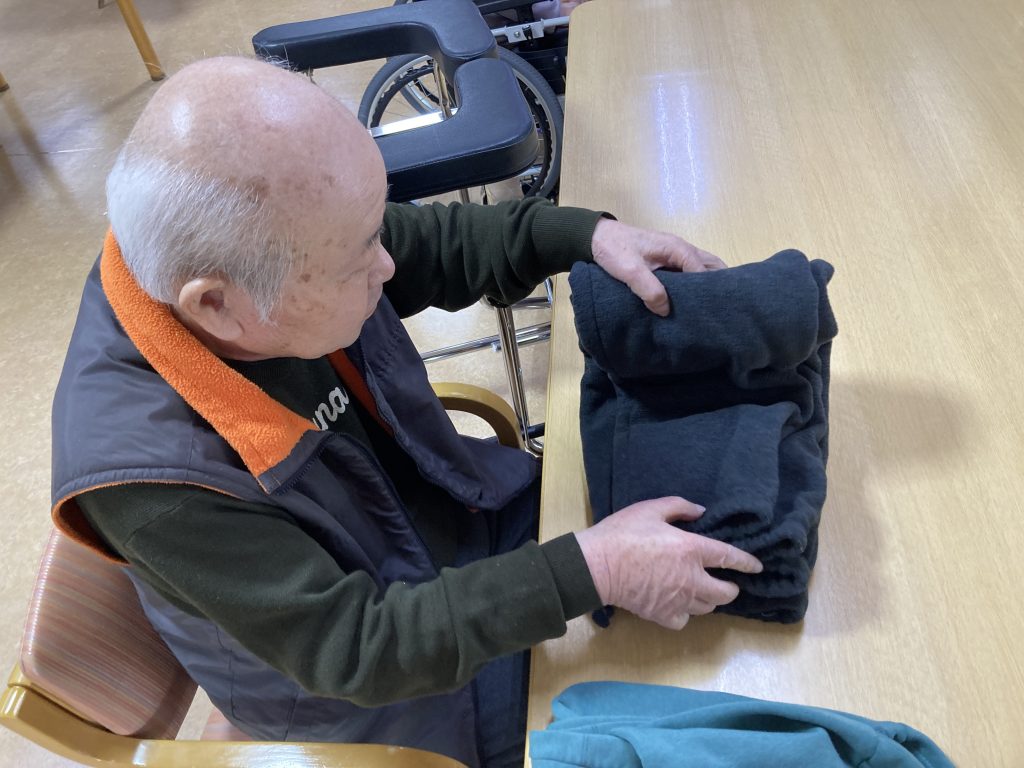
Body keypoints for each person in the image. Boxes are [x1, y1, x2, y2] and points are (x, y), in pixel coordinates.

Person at [50, 57, 762, 768]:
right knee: (677, 726)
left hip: (456, 530)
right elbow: (357, 650)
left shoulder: (249, 243)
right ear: (216, 304)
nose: (386, 264)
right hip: (392, 697)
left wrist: (587, 237)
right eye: (358, 257)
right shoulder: (159, 482)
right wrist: (594, 570)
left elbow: (432, 245)